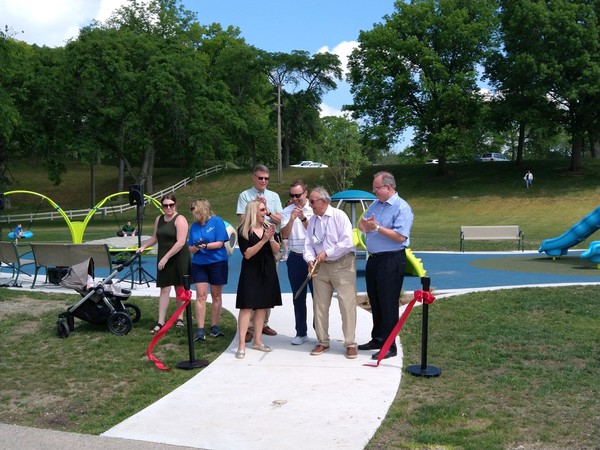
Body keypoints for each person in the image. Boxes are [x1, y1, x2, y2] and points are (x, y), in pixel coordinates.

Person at [358, 171, 414, 360]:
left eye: (376, 188)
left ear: (388, 187)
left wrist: (376, 227)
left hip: (391, 260)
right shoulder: (376, 204)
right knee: (375, 300)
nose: (374, 191)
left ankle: (390, 346)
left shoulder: (402, 208)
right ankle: (378, 338)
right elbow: (362, 225)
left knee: (388, 302)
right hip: (374, 259)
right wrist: (367, 225)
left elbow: (400, 237)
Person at [303, 187, 358, 359]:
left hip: (342, 264)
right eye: (309, 202)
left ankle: (350, 343)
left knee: (347, 305)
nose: (309, 204)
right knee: (319, 305)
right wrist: (310, 259)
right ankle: (322, 342)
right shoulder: (312, 220)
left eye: (312, 201)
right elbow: (308, 244)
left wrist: (327, 252)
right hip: (321, 266)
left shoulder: (339, 216)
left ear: (324, 201)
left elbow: (347, 241)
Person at [236, 164, 283, 342]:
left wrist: (266, 210)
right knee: (250, 292)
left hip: (269, 246)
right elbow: (243, 221)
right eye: (260, 178)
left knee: (266, 289)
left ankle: (263, 324)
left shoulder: (274, 196)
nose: (263, 181)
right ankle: (248, 328)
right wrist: (255, 209)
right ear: (254, 178)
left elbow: (280, 219)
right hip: (253, 242)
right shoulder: (244, 196)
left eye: (266, 178)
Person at [138, 193, 191, 334]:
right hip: (164, 256)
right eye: (165, 205)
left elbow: (180, 242)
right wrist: (144, 246)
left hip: (178, 257)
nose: (168, 208)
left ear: (175, 204)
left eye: (171, 205)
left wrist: (166, 258)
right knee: (164, 289)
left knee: (179, 288)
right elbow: (155, 237)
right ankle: (160, 321)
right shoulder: (159, 219)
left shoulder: (180, 220)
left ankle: (180, 318)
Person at [188, 199, 229, 341]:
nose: (195, 216)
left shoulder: (217, 221)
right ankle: (200, 330)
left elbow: (219, 243)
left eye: (196, 213)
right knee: (201, 295)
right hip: (199, 263)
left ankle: (214, 326)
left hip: (217, 262)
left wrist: (205, 246)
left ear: (202, 210)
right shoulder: (193, 227)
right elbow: (190, 246)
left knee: (216, 295)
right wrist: (194, 248)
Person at [280, 180, 313, 345]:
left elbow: (316, 233)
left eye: (297, 195)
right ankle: (301, 332)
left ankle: (321, 333)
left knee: (319, 297)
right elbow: (284, 235)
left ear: (305, 193)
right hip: (295, 257)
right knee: (298, 296)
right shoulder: (286, 211)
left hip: (313, 258)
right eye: (291, 195)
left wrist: (303, 218)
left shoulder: (314, 208)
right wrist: (292, 219)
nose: (294, 199)